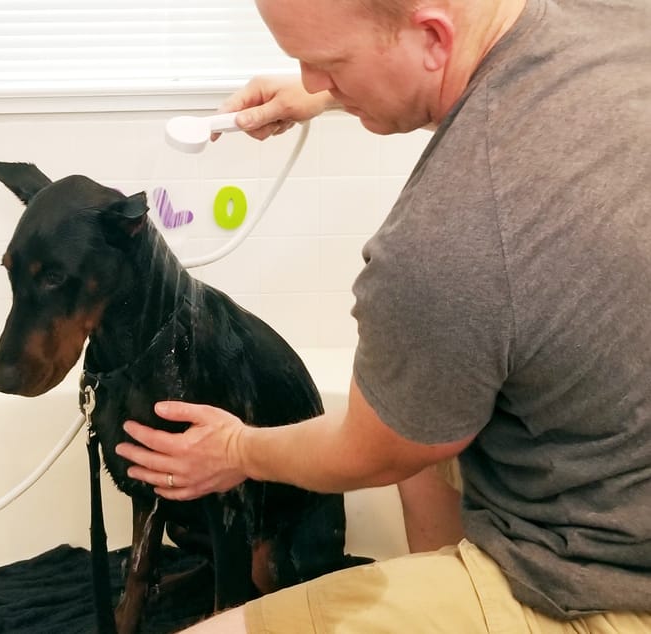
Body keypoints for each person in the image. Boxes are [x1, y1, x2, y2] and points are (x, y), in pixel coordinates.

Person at [115, 0, 651, 631]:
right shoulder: (613, 17)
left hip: (601, 584)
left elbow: (370, 452)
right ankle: (442, 570)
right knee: (418, 388)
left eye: (326, 63)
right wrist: (333, 90)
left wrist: (236, 448)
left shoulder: (444, 240)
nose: (311, 81)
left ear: (431, 38)